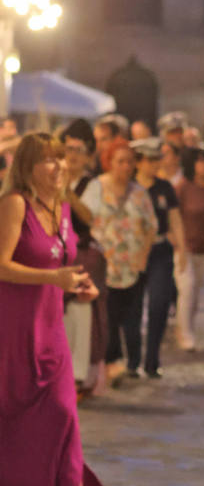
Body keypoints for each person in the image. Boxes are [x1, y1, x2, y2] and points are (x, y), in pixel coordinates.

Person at [0, 131, 109, 486]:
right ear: (27, 168)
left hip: (50, 329)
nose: (59, 167)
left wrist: (77, 286)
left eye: (61, 159)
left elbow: (61, 263)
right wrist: (53, 278)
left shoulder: (62, 209)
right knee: (6, 416)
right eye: (49, 160)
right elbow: (1, 265)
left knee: (64, 413)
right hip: (12, 329)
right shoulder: (14, 205)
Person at [93, 139, 157, 384]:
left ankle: (132, 362)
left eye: (130, 161)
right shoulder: (96, 188)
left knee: (132, 315)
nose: (126, 166)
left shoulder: (140, 192)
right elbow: (84, 218)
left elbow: (151, 226)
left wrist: (143, 257)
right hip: (104, 264)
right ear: (109, 162)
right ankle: (112, 361)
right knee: (107, 315)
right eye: (121, 161)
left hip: (132, 264)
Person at [133, 138, 187, 378]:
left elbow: (175, 218)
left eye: (157, 159)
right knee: (132, 308)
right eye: (150, 160)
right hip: (133, 252)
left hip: (160, 251)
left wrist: (183, 249)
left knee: (159, 304)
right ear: (139, 162)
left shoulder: (165, 187)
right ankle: (132, 360)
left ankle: (152, 360)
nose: (155, 164)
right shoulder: (130, 186)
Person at [60, 120, 107, 395]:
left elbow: (89, 216)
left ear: (88, 155)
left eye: (79, 149)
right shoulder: (49, 176)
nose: (73, 155)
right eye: (68, 148)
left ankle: (78, 374)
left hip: (82, 253)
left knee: (81, 309)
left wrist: (67, 194)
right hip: (56, 252)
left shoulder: (92, 184)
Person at [176, 147, 204, 350]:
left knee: (194, 293)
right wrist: (178, 246)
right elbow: (173, 218)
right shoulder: (183, 188)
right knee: (187, 289)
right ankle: (185, 334)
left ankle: (188, 328)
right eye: (200, 161)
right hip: (185, 249)